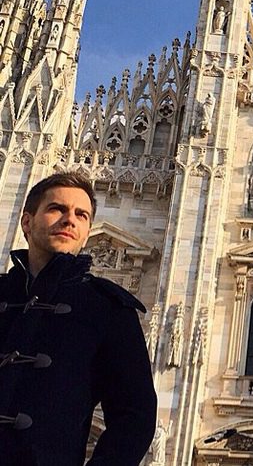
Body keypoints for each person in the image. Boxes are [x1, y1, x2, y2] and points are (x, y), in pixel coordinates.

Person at [0, 173, 157, 465]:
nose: (69, 219)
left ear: (86, 233)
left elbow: (135, 416)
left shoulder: (109, 309)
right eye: (56, 208)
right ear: (27, 222)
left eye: (81, 214)